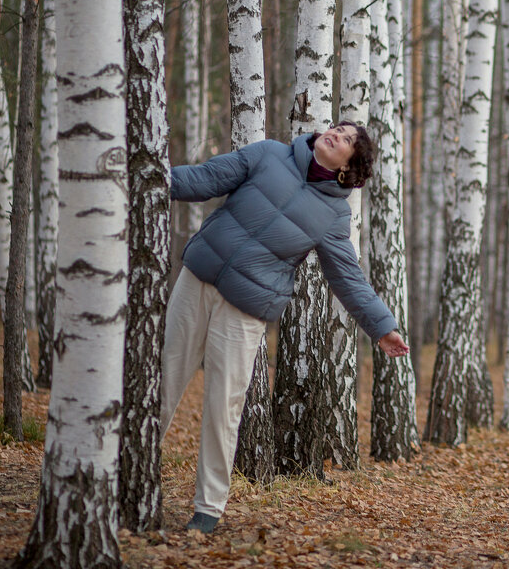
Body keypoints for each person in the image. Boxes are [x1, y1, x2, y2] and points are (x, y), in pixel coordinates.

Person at [160, 121, 410, 535]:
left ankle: (207, 508)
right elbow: (206, 177)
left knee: (224, 405)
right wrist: (151, 180)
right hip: (197, 280)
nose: (335, 134)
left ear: (350, 167)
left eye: (347, 139)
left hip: (246, 309)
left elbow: (348, 277)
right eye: (337, 128)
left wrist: (381, 326)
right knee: (160, 380)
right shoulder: (268, 154)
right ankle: (117, 474)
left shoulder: (333, 214)